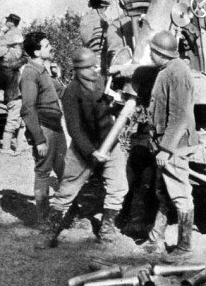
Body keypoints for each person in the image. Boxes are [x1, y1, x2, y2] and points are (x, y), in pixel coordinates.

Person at [40, 47, 128, 248]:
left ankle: (106, 230)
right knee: (66, 191)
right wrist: (91, 151)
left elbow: (110, 109)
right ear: (78, 69)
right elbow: (74, 128)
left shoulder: (101, 83)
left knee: (118, 187)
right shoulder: (71, 92)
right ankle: (48, 233)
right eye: (90, 67)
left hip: (110, 144)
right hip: (83, 149)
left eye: (96, 66)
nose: (95, 70)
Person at [141, 30, 198, 258]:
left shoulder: (177, 73)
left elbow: (180, 115)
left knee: (180, 194)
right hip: (166, 144)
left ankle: (184, 247)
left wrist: (166, 148)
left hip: (174, 146)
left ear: (158, 52)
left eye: (151, 51)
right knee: (164, 191)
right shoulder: (168, 70)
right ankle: (156, 239)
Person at [19, 32, 66, 225]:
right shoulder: (30, 73)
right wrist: (38, 139)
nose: (51, 48)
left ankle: (64, 212)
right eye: (47, 46)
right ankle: (43, 218)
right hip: (44, 128)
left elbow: (61, 92)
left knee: (64, 168)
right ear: (37, 51)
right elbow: (28, 108)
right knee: (43, 172)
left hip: (56, 127)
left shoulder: (44, 71)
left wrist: (58, 76)